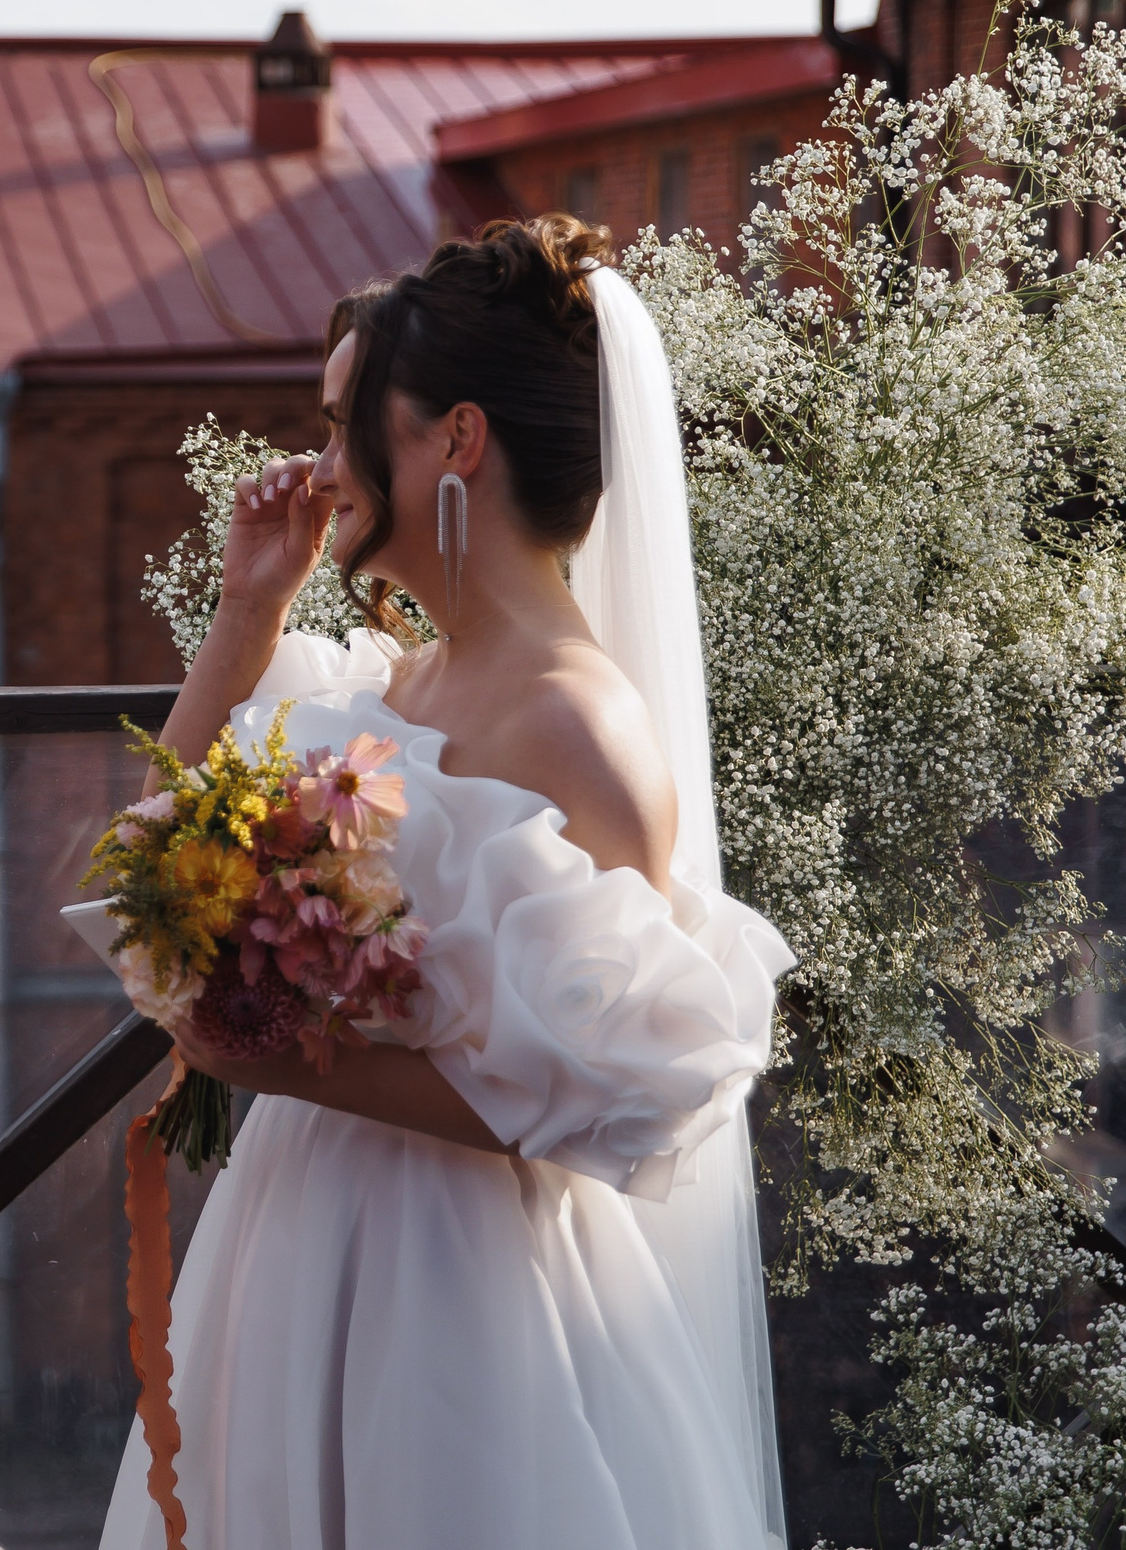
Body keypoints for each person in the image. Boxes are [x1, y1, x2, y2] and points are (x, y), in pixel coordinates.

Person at [97, 215, 793, 1550]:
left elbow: (613, 1093)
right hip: (287, 1249)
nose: (320, 461)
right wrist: (245, 619)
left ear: (456, 441)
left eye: (350, 418)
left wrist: (284, 1061)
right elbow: (144, 884)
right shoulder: (370, 685)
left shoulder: (580, 729)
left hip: (466, 1295)